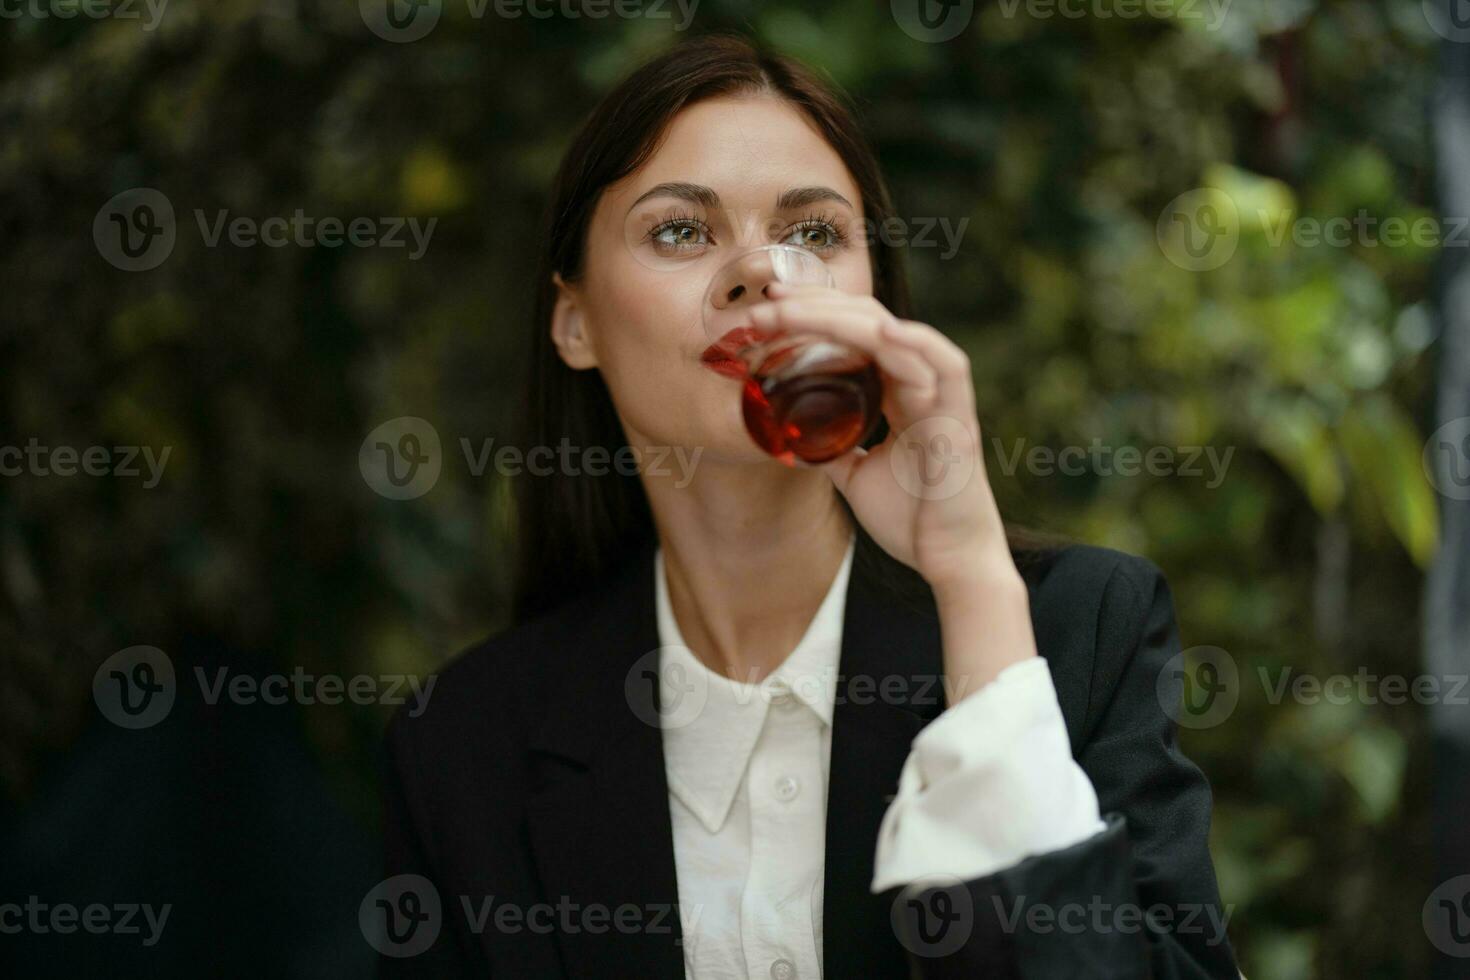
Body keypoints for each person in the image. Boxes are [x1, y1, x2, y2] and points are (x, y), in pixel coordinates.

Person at [379, 32, 1239, 979]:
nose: (758, 272)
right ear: (574, 321)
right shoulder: (466, 745)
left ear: (872, 292)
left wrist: (973, 587)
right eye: (680, 229)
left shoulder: (1077, 635)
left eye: (813, 232)